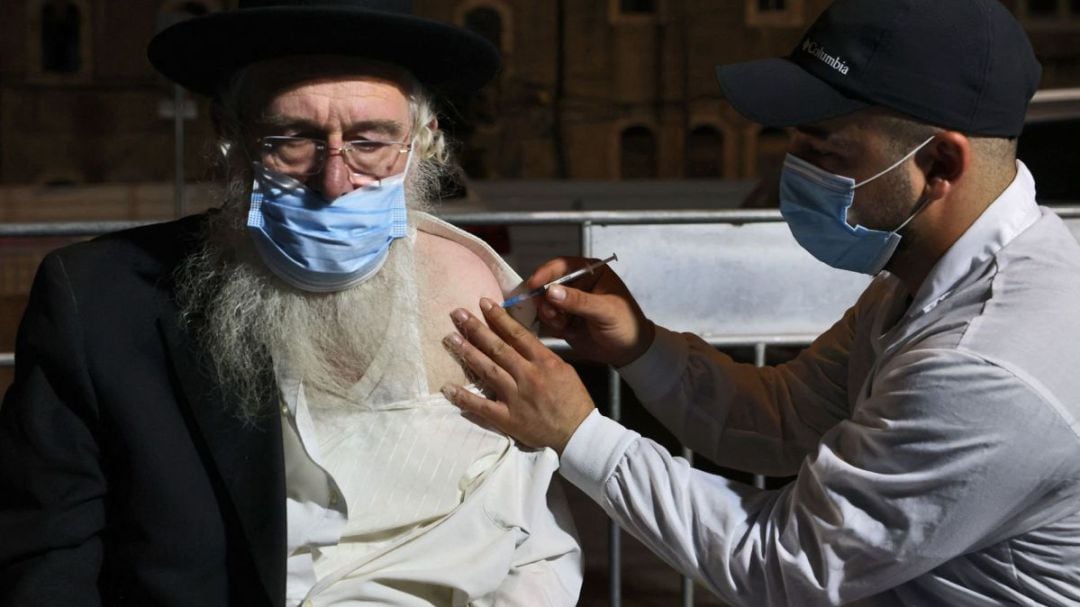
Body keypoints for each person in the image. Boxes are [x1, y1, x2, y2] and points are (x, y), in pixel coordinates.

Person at [440, 0, 1080, 605]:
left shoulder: (987, 363)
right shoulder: (919, 281)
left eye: (824, 149)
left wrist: (576, 430)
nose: (789, 168)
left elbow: (781, 562)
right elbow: (783, 418)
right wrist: (640, 345)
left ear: (939, 162)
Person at [0, 1, 582, 605]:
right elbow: (46, 558)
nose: (333, 180)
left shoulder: (478, 290)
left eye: (369, 141)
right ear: (231, 138)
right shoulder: (98, 299)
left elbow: (531, 534)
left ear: (421, 143)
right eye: (292, 140)